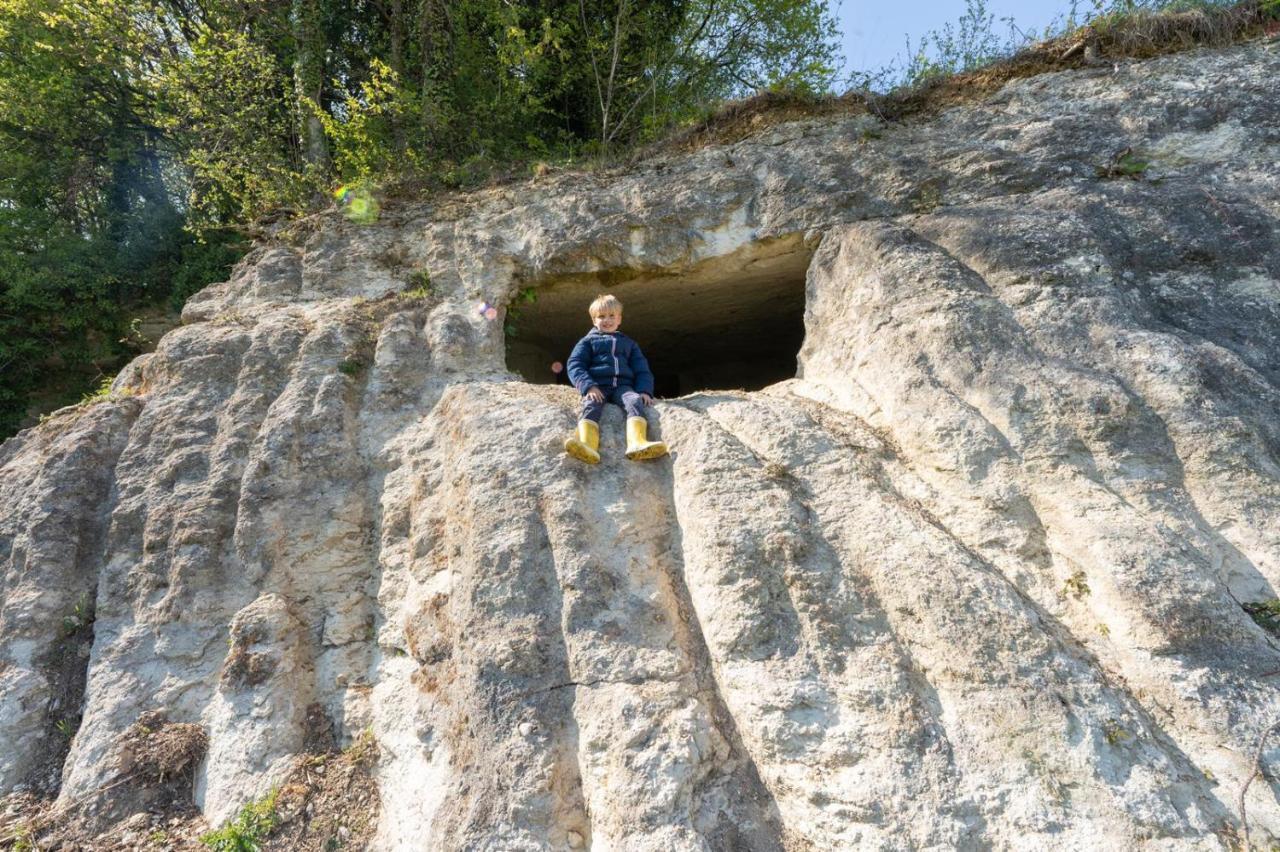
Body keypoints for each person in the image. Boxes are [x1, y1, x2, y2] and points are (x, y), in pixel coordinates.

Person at [564, 294, 667, 464]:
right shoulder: (587, 342)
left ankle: (637, 443)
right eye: (601, 316)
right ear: (593, 321)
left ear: (619, 319)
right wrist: (588, 387)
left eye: (612, 316)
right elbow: (575, 364)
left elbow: (641, 369)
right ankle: (587, 444)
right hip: (598, 386)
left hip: (623, 386)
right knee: (591, 404)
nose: (607, 320)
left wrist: (644, 390)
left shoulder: (629, 344)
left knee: (634, 401)